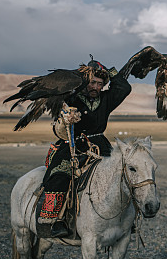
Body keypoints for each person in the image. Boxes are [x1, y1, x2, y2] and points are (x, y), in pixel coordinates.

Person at [39, 59, 131, 238]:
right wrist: (65, 121)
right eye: (92, 82)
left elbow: (124, 88)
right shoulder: (70, 98)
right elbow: (57, 129)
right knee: (60, 175)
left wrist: (108, 70)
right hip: (72, 145)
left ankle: (122, 219)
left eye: (99, 83)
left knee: (122, 174)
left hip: (100, 145)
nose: (95, 87)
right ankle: (56, 220)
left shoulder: (106, 99)